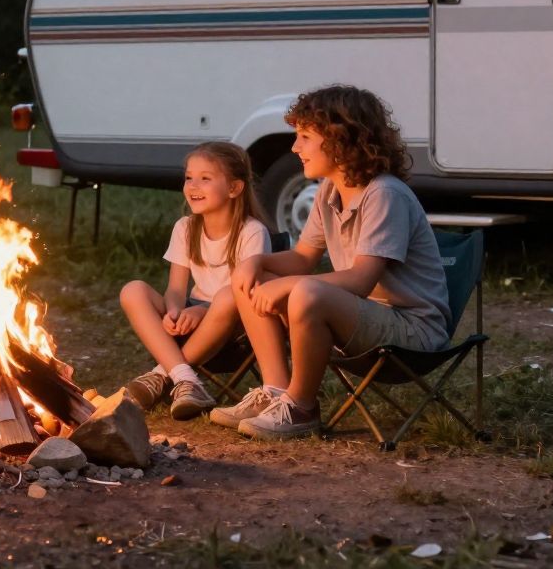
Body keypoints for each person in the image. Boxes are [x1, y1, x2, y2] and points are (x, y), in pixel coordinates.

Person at [212, 85, 450, 439]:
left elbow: (360, 281)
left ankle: (301, 408)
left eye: (305, 137)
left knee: (307, 293)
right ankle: (276, 392)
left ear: (342, 139)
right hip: (364, 318)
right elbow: (302, 258)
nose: (295, 148)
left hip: (412, 330)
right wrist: (256, 262)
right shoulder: (329, 191)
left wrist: (290, 285)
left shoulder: (383, 194)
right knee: (251, 278)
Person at [116, 141, 269, 419]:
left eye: (205, 178)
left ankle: (163, 374)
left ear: (234, 188)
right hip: (191, 317)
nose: (193, 186)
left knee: (228, 296)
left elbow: (244, 292)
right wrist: (174, 310)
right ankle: (187, 379)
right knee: (133, 290)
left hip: (236, 328)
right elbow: (175, 288)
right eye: (189, 177)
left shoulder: (252, 232)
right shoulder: (185, 227)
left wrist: (203, 311)